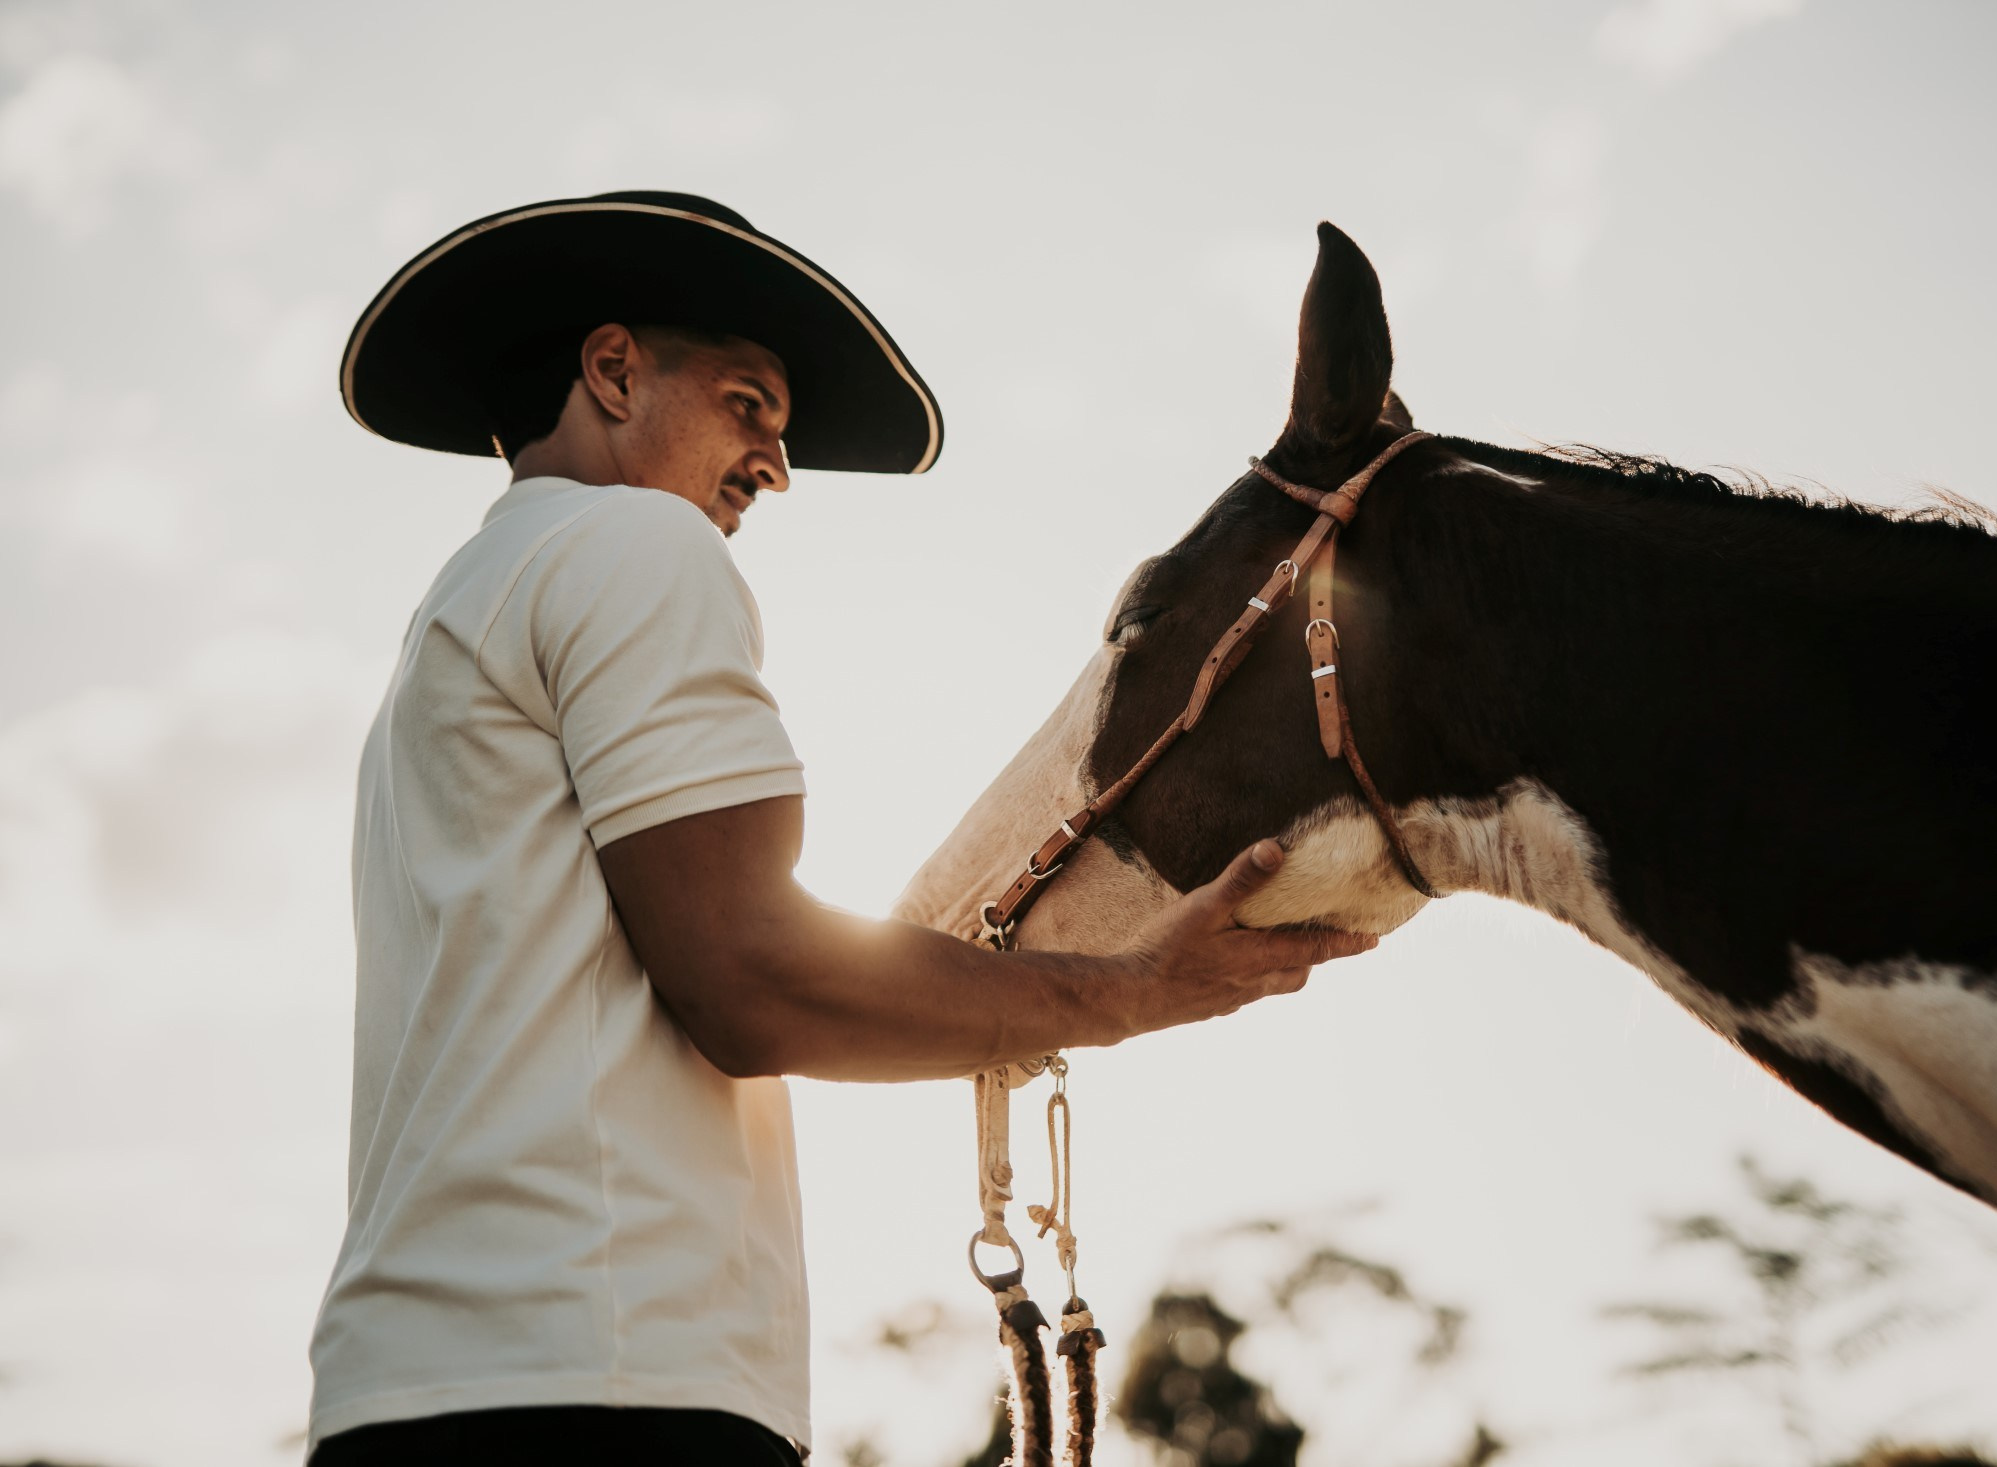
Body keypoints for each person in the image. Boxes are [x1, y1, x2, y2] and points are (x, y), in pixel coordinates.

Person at [307, 191, 1372, 1466]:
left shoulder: (456, 617)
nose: (775, 466)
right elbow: (752, 981)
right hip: (602, 1385)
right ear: (611, 372)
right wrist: (1135, 988)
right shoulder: (636, 546)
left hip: (418, 1391)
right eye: (748, 403)